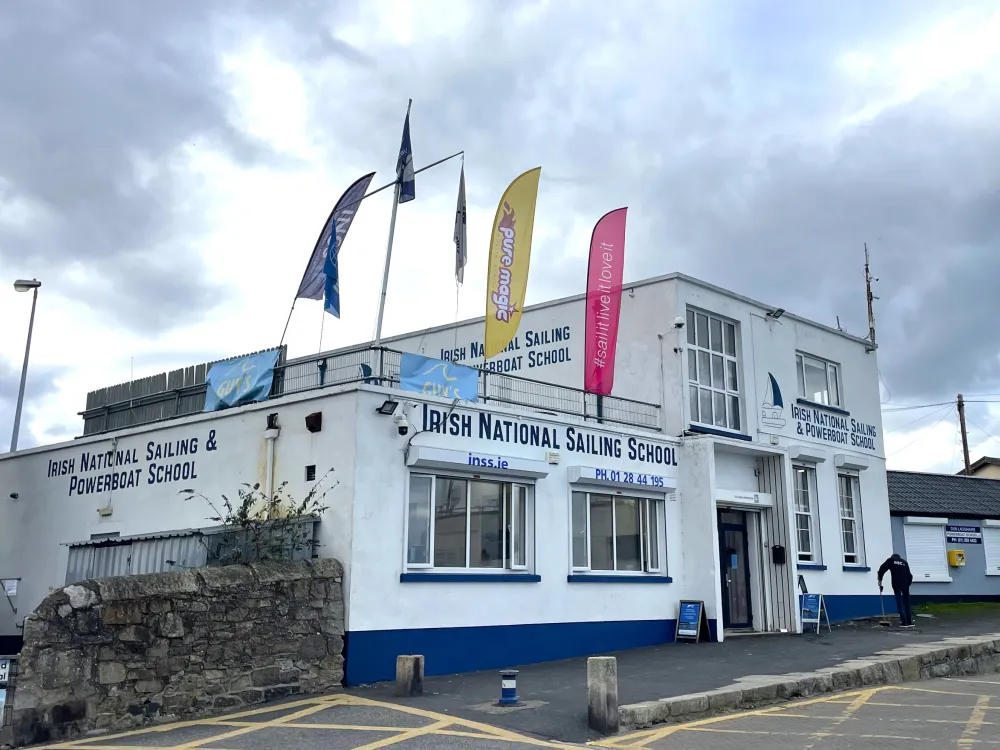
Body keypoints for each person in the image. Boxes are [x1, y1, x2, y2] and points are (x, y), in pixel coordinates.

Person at [878, 552, 915, 628]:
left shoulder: (891, 560)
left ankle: (904, 622)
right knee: (907, 602)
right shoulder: (904, 562)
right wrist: (907, 584)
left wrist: (880, 578)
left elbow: (882, 568)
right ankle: (910, 622)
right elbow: (910, 575)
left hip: (896, 583)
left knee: (900, 602)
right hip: (905, 583)